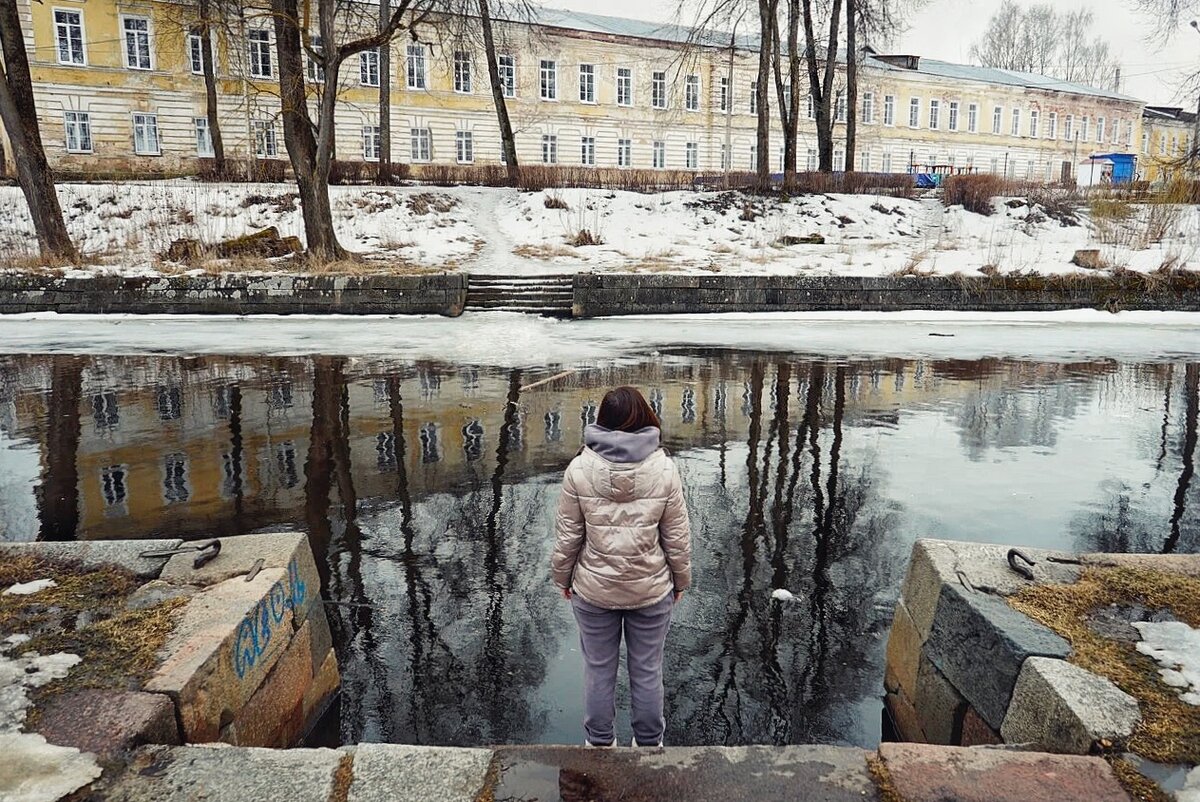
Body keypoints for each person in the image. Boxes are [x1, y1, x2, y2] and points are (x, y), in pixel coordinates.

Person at [550, 386, 692, 748]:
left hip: (594, 590)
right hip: (650, 590)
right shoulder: (664, 469)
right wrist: (680, 581)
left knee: (599, 672)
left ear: (602, 421)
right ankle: (648, 745)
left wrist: (563, 578)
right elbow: (676, 536)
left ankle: (598, 744)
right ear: (644, 416)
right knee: (647, 672)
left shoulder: (579, 468)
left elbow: (568, 535)